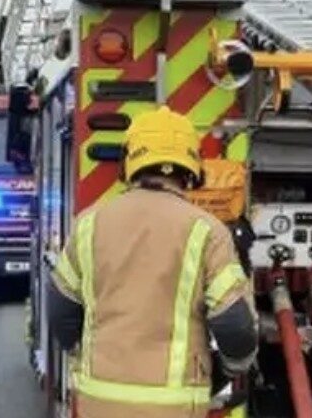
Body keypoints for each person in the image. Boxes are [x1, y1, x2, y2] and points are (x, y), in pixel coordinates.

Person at [48, 106, 258, 418]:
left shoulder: (88, 224)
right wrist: (224, 373)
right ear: (192, 166)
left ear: (129, 162)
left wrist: (89, 357)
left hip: (98, 401)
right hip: (175, 408)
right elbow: (235, 326)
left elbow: (62, 311)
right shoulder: (207, 232)